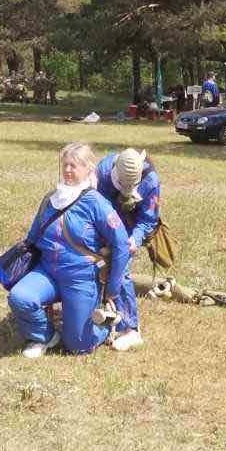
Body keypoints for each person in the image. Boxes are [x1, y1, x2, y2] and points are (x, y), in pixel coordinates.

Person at [8, 142, 132, 358]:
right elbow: (32, 237)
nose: (67, 170)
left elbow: (121, 244)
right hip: (47, 272)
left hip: (80, 277)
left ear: (88, 169)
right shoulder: (50, 199)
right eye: (64, 164)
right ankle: (44, 336)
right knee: (20, 297)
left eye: (73, 166)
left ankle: (105, 326)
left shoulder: (96, 202)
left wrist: (112, 289)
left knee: (77, 345)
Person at [94, 147, 160, 351]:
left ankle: (131, 329)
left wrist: (135, 238)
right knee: (96, 265)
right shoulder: (103, 172)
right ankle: (99, 315)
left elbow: (148, 219)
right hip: (102, 223)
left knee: (120, 270)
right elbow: (93, 207)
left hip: (130, 227)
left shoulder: (150, 180)